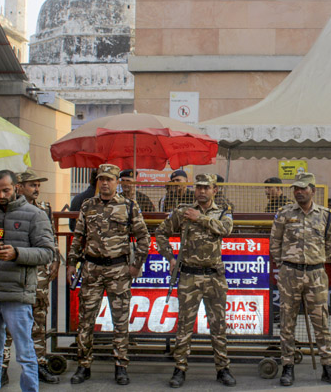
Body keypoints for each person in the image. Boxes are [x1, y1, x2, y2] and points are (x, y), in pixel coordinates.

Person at [0, 170, 56, 392]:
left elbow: (47, 252)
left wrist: (16, 253)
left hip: (18, 295)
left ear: (16, 187)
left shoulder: (36, 215)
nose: (1, 195)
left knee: (26, 356)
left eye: (5, 190)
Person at [66, 164, 150, 386]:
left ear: (116, 182)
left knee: (120, 321)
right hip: (92, 270)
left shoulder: (129, 206)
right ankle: (83, 366)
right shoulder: (87, 206)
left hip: (118, 271)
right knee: (86, 320)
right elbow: (78, 237)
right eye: (101, 179)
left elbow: (143, 237)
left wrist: (135, 265)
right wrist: (71, 264)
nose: (104, 183)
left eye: (109, 179)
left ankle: (121, 366)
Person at [156, 173, 236, 388]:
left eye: (206, 187)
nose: (201, 191)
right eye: (198, 187)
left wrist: (199, 218)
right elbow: (160, 233)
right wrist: (170, 258)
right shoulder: (181, 212)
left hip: (214, 277)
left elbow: (226, 230)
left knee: (218, 325)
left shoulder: (223, 212)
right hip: (189, 276)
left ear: (214, 190)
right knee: (184, 325)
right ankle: (179, 368)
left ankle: (223, 368)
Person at [270, 173, 331, 386]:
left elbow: (330, 244)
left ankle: (328, 367)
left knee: (321, 321)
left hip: (316, 274)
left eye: (303, 188)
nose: (299, 192)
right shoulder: (284, 213)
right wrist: (283, 263)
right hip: (290, 273)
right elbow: (275, 241)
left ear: (312, 190)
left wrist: (315, 261)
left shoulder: (326, 215)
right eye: (296, 188)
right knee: (287, 320)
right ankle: (287, 367)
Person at [16, 169, 61, 383]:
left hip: (40, 273)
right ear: (19, 186)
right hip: (15, 272)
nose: (36, 189)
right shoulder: (8, 209)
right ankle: (2, 367)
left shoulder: (44, 208)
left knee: (39, 318)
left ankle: (38, 364)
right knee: (9, 322)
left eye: (38, 185)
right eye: (32, 185)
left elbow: (51, 238)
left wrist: (56, 260)